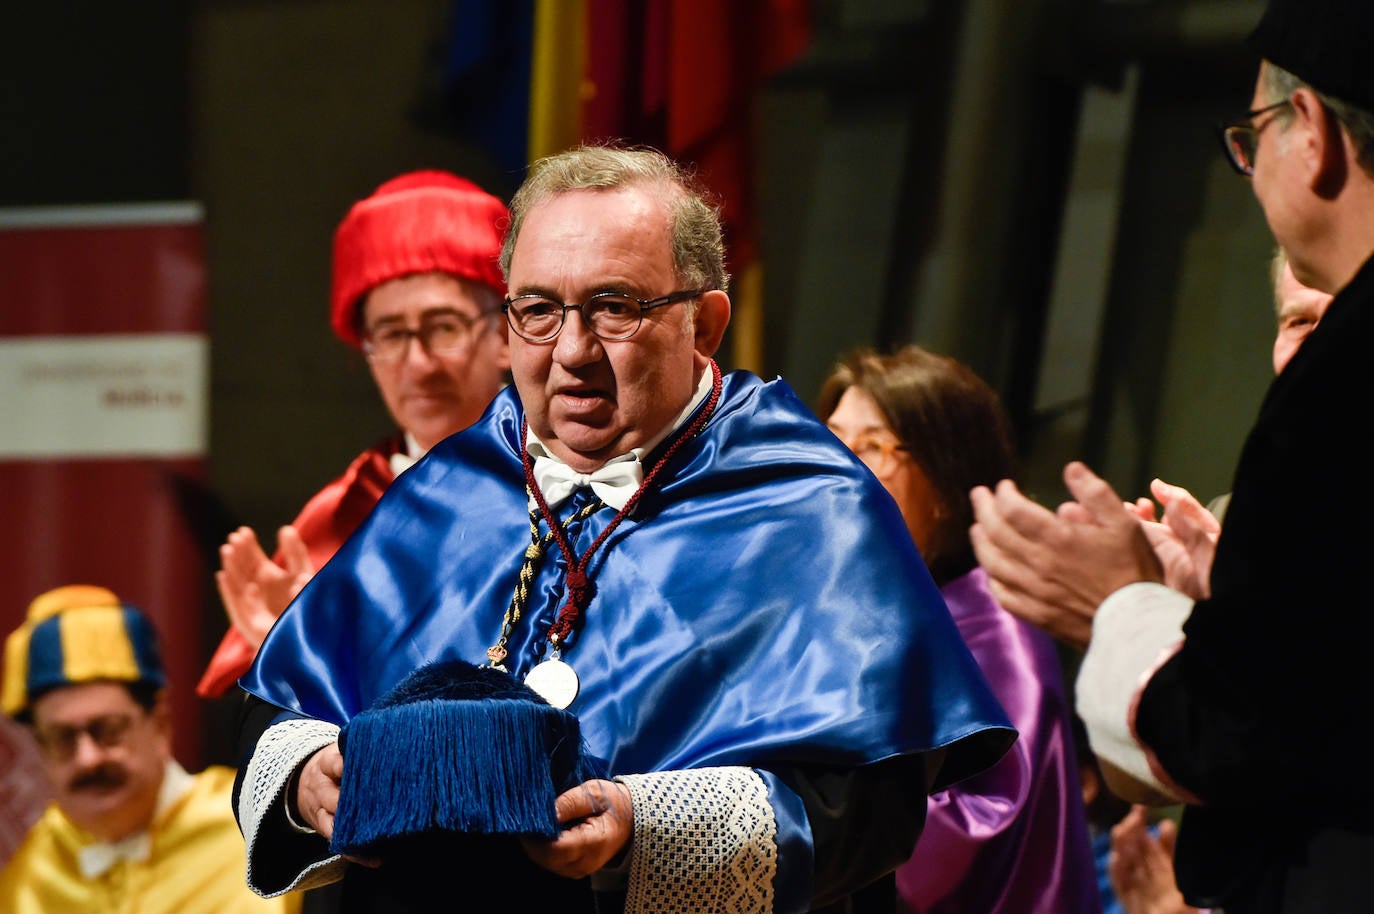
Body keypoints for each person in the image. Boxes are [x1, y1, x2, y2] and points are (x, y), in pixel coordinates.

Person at [231, 144, 1015, 913]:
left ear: (705, 325)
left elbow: (870, 807)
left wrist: (646, 831)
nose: (571, 353)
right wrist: (308, 779)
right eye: (537, 311)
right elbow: (280, 709)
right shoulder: (447, 490)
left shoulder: (812, 506)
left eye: (616, 308)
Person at [967, 1, 1374, 909]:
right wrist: (1215, 611)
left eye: (1252, 134)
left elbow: (1250, 730)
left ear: (1311, 133)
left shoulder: (1344, 385)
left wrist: (1122, 604)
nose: (1250, 166)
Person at [196, 169, 512, 697]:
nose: (417, 362)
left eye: (444, 327)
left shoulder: (572, 479)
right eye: (390, 334)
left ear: (505, 333)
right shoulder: (342, 515)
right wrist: (293, 656)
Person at [817, 344, 1101, 914]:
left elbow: (977, 827)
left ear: (946, 485)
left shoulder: (991, 630)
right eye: (829, 437)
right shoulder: (851, 608)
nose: (835, 463)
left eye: (871, 445)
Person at [0, 584, 298, 914]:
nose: (87, 759)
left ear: (160, 722)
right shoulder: (33, 872)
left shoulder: (257, 826)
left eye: (108, 730)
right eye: (61, 738)